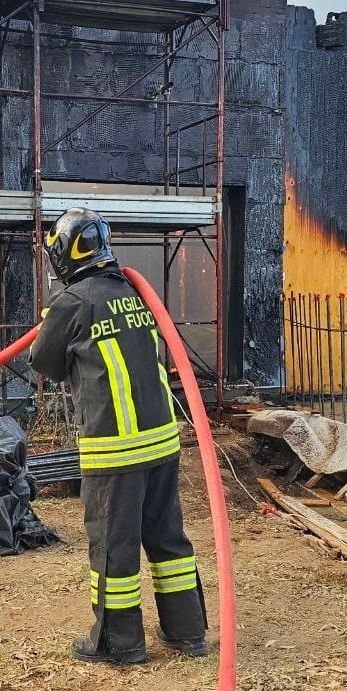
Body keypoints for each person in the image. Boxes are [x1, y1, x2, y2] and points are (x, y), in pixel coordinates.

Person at [28, 208, 208, 664]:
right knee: (168, 539)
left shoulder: (72, 303)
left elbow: (44, 363)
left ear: (66, 254)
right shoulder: (135, 291)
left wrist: (57, 319)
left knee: (113, 546)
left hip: (116, 448)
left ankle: (120, 643)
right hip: (162, 441)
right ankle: (187, 633)